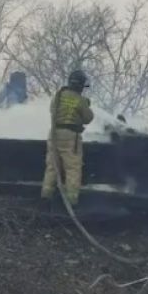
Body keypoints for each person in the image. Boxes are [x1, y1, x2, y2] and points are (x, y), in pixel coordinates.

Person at [41, 69, 94, 206]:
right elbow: (88, 118)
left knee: (52, 166)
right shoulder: (80, 100)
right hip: (70, 136)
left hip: (54, 134)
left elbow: (52, 110)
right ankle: (72, 201)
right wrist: (86, 104)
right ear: (81, 85)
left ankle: (46, 196)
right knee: (72, 168)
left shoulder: (58, 96)